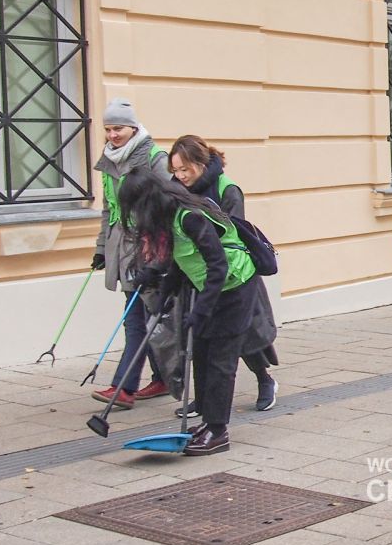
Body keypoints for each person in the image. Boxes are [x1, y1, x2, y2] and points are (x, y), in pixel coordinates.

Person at [117, 169, 262, 455]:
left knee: (221, 360)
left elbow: (218, 265)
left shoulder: (190, 217)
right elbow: (180, 262)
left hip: (235, 287)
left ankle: (218, 432)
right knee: (203, 355)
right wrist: (161, 288)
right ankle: (208, 422)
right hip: (212, 288)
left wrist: (201, 311)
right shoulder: (169, 218)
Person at [168, 135, 279, 415]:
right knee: (203, 338)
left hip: (233, 276)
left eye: (185, 170)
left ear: (201, 164)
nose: (180, 176)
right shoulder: (178, 190)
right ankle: (204, 398)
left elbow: (232, 236)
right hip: (198, 275)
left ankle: (264, 380)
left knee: (243, 336)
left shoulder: (226, 189)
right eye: (176, 171)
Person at [90, 99, 171, 409]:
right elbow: (109, 209)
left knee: (135, 317)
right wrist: (100, 250)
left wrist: (158, 255)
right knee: (143, 313)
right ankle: (163, 378)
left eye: (118, 128)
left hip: (147, 248)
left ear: (134, 128)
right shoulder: (109, 159)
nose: (112, 135)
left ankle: (124, 387)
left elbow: (170, 205)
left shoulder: (153, 158)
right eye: (108, 129)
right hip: (120, 249)